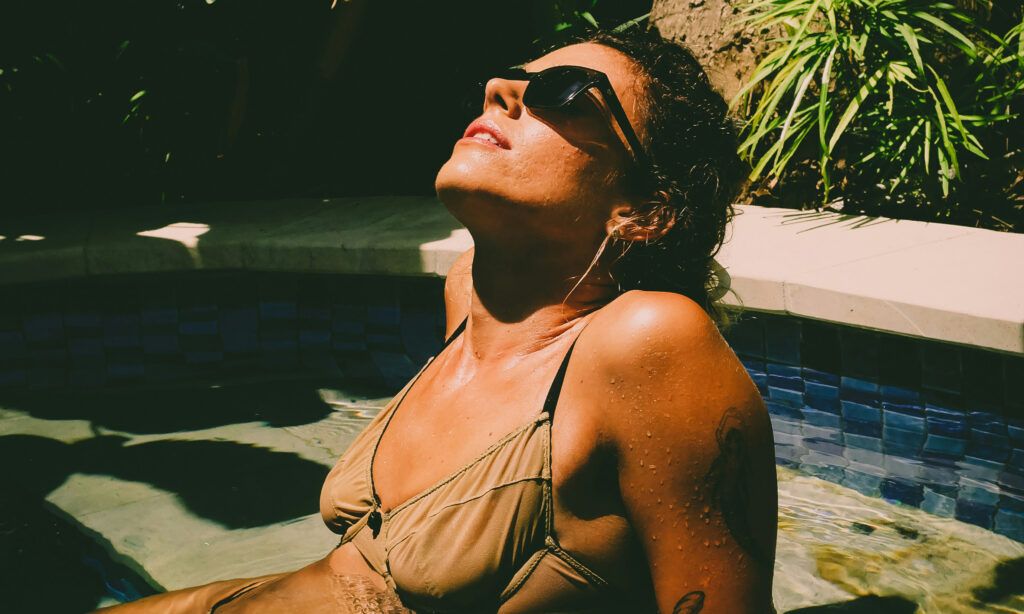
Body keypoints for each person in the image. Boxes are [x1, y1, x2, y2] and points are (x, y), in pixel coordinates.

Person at [97, 25, 777, 614]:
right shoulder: (469, 300)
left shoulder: (647, 342)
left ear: (643, 212)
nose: (498, 90)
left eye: (564, 92)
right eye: (513, 79)